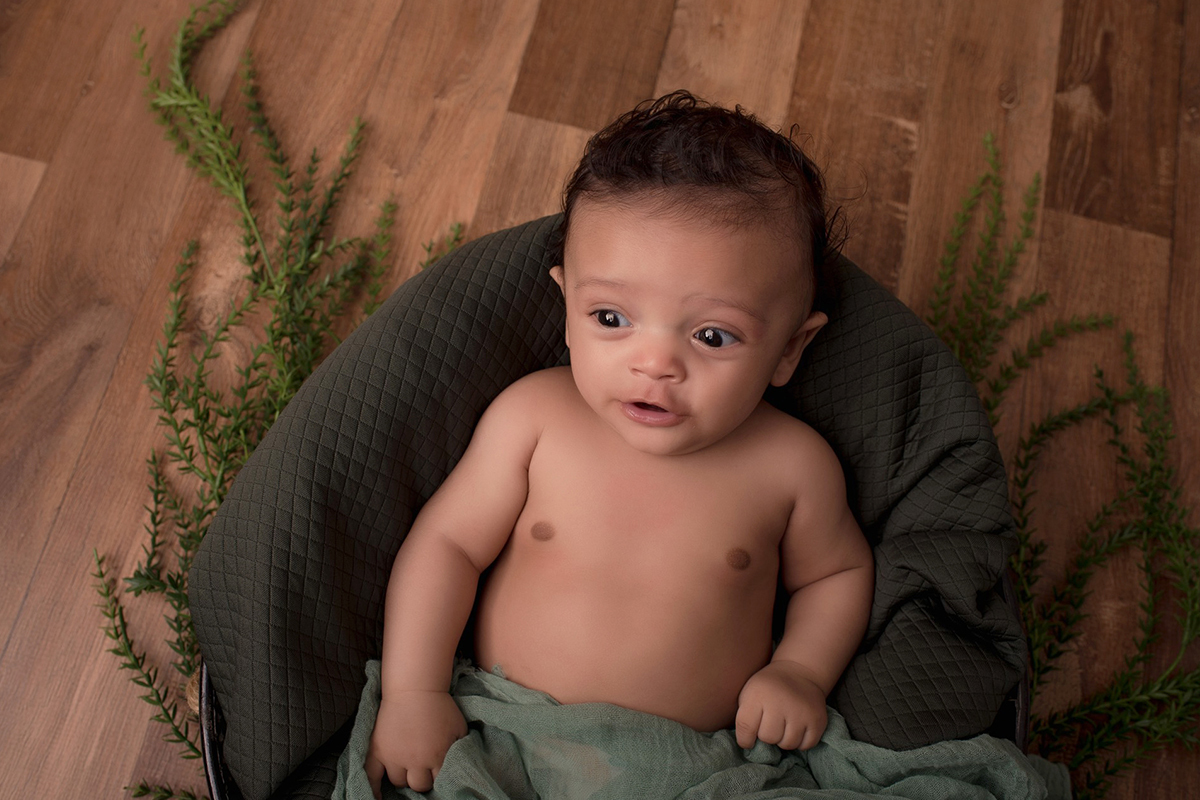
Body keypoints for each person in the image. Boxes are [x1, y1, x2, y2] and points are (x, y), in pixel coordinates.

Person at [365, 90, 874, 797]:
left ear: (790, 350)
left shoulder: (791, 466)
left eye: (713, 336)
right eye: (611, 317)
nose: (656, 364)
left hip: (694, 768)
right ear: (566, 306)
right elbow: (445, 545)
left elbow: (835, 576)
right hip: (500, 738)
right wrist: (414, 693)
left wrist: (798, 671)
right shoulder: (535, 417)